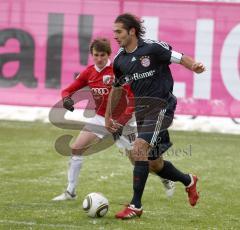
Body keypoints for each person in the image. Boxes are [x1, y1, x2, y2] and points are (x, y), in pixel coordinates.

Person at [105, 13, 206, 219]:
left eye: (119, 31)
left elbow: (179, 57)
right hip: (142, 111)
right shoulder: (120, 60)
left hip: (162, 105)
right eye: (114, 31)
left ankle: (136, 206)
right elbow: (117, 88)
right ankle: (188, 180)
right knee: (154, 163)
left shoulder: (152, 48)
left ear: (132, 31)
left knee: (138, 149)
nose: (115, 36)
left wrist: (194, 65)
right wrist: (108, 116)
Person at [52, 38, 175, 201]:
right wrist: (66, 99)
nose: (99, 58)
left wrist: (122, 120)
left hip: (123, 122)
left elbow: (132, 97)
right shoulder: (89, 73)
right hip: (99, 119)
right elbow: (68, 90)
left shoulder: (118, 71)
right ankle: (70, 192)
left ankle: (165, 177)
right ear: (92, 55)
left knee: (141, 160)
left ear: (108, 54)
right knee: (76, 148)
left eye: (102, 55)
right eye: (96, 55)